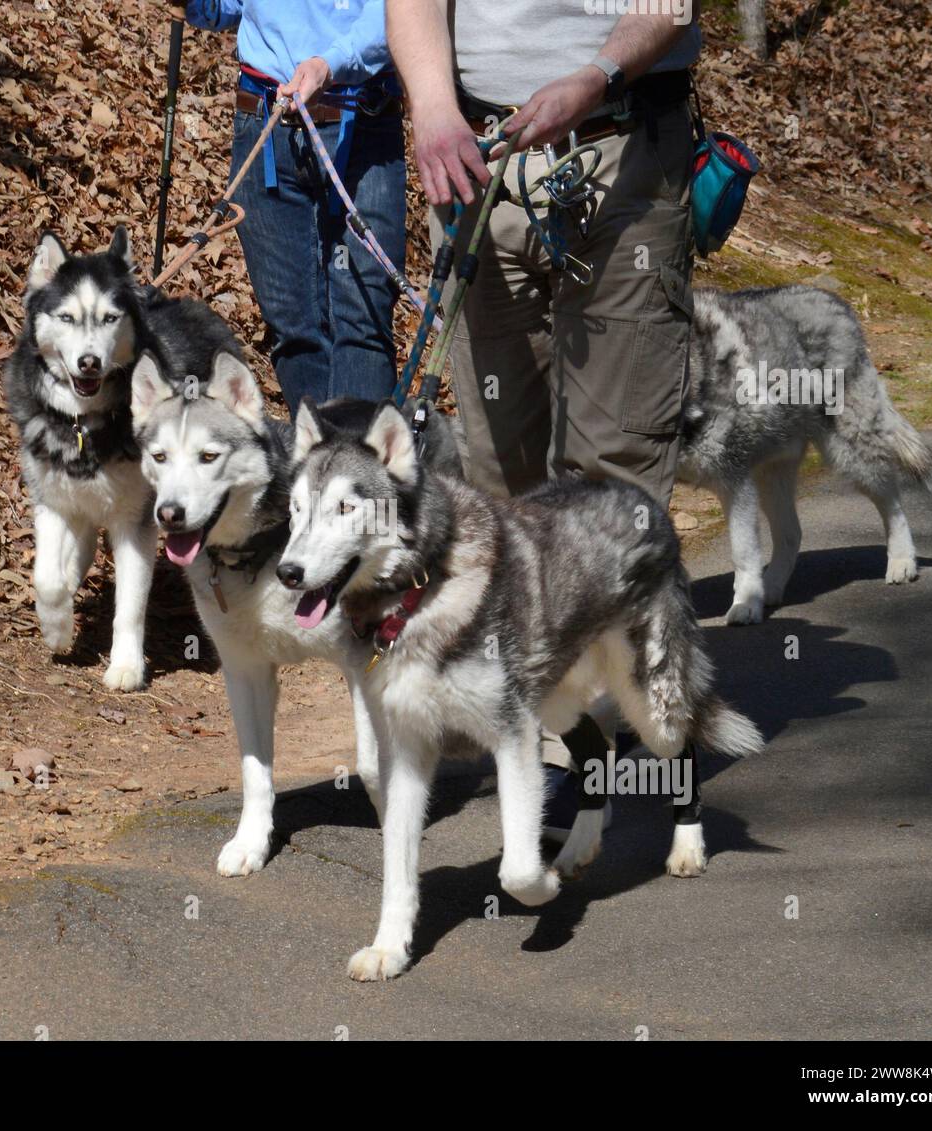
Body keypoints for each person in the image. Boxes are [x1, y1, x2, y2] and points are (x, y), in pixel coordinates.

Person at [387, 0, 702, 836]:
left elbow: (667, 11)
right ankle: (569, 734)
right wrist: (432, 106)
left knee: (614, 476)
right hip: (479, 157)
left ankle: (599, 742)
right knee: (498, 479)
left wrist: (595, 77)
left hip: (624, 150)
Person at [176, 1, 407, 413]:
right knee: (291, 324)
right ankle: (317, 460)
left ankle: (359, 467)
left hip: (362, 124)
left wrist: (329, 64)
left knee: (364, 319)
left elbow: (403, 14)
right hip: (264, 124)